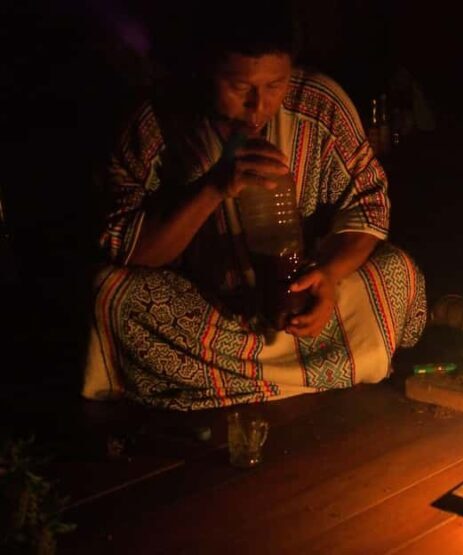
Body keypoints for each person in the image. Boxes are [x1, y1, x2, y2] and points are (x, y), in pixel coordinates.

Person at [82, 3, 427, 410]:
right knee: (110, 294)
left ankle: (236, 383)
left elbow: (368, 206)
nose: (258, 106)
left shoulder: (319, 102)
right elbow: (130, 248)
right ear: (206, 70)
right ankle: (330, 369)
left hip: (308, 305)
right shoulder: (157, 120)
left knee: (396, 271)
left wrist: (330, 277)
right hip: (209, 317)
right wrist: (213, 187)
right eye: (239, 87)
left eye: (275, 85)